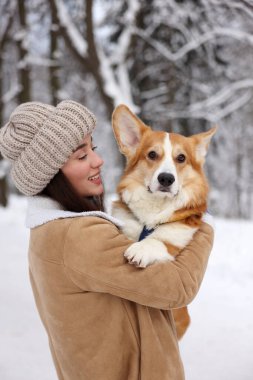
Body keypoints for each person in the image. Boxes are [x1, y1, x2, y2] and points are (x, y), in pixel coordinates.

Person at [0, 100, 214, 380]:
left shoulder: (51, 231)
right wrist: (199, 223)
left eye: (94, 149)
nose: (98, 161)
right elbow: (177, 286)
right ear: (52, 174)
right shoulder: (78, 236)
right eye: (81, 156)